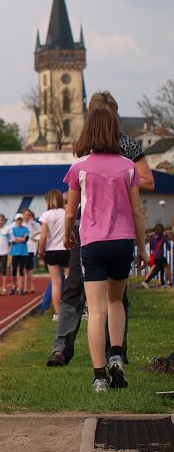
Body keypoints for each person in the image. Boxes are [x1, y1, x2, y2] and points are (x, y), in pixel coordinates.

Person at [47, 91, 154, 368]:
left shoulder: (121, 148)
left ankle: (106, 365)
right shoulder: (101, 153)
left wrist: (113, 182)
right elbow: (137, 211)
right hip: (113, 233)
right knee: (97, 295)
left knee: (100, 304)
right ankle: (84, 350)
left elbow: (148, 181)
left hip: (96, 232)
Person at [63, 107, 148, 392]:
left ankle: (99, 377)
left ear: (88, 131)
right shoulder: (128, 166)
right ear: (114, 132)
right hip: (122, 241)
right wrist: (142, 248)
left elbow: (70, 212)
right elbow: (137, 212)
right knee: (116, 302)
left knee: (96, 310)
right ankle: (116, 356)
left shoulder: (79, 167)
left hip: (93, 242)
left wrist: (66, 235)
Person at [38, 189, 69, 321]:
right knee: (71, 280)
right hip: (66, 249)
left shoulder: (46, 215)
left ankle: (57, 313)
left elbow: (44, 236)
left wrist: (41, 251)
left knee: (56, 282)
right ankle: (74, 308)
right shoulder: (66, 212)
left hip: (51, 250)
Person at [141, 224, 171, 288]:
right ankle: (145, 282)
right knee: (156, 271)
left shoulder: (153, 238)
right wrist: (168, 236)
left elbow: (151, 247)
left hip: (156, 256)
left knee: (163, 269)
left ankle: (163, 284)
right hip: (160, 257)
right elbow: (168, 246)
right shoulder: (163, 238)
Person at [9, 214, 29, 295]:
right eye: (18, 220)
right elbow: (12, 239)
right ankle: (14, 286)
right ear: (15, 220)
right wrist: (20, 238)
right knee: (14, 270)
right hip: (14, 252)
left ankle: (21, 288)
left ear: (22, 220)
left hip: (23, 252)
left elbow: (25, 239)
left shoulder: (26, 229)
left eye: (20, 219)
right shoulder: (12, 229)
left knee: (21, 270)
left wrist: (17, 239)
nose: (19, 221)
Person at [22, 209, 40, 294]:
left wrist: (35, 237)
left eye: (28, 215)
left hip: (31, 249)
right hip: (22, 249)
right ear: (23, 215)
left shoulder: (33, 224)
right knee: (24, 270)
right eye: (25, 214)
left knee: (30, 270)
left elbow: (42, 231)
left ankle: (31, 287)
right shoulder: (20, 224)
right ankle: (25, 287)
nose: (27, 216)